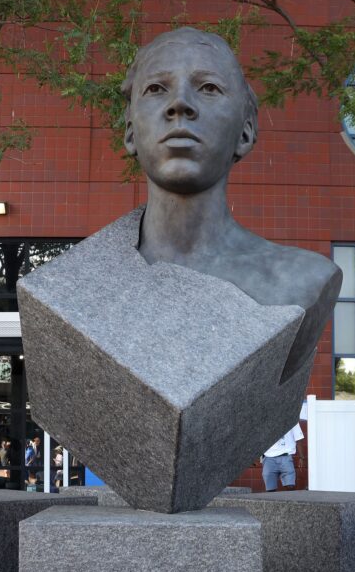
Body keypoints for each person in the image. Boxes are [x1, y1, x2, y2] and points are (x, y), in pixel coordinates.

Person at [121, 27, 341, 381]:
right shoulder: (74, 289)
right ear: (130, 131)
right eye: (156, 88)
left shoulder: (303, 281)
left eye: (208, 87)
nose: (180, 104)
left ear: (246, 131)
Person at [260, 423, 304, 492]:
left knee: (290, 486)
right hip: (269, 457)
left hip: (285, 456)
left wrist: (302, 457)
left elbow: (298, 438)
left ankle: (291, 502)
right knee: (270, 489)